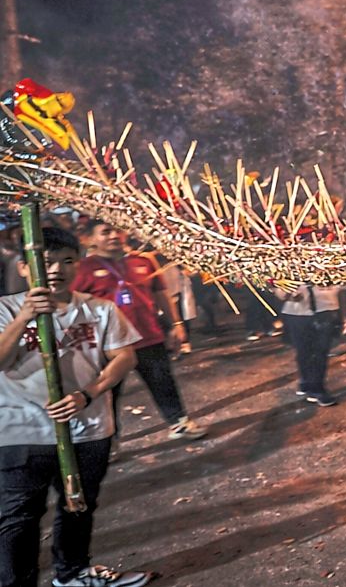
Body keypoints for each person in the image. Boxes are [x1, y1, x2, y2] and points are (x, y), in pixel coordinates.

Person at [0, 226, 150, 587]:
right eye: (46, 261)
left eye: (67, 261)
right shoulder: (5, 309)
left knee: (79, 505)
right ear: (24, 267)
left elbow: (124, 357)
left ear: (79, 264)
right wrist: (23, 318)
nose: (57, 269)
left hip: (88, 429)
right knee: (19, 517)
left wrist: (88, 393)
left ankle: (72, 573)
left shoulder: (99, 309)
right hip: (22, 432)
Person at [69, 221, 206, 440]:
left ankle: (179, 423)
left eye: (118, 230)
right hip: (109, 346)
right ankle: (110, 440)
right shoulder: (82, 269)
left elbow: (161, 295)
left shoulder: (144, 260)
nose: (114, 235)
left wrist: (176, 324)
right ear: (91, 239)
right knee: (108, 394)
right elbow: (72, 306)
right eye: (105, 232)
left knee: (163, 383)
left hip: (148, 337)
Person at [279, 285, 342, 406]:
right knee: (303, 351)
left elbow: (341, 286)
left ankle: (317, 388)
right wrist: (288, 295)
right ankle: (306, 382)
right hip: (298, 314)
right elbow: (278, 290)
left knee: (321, 352)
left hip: (325, 310)